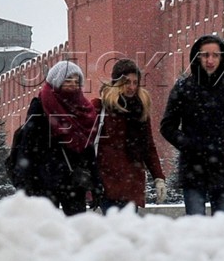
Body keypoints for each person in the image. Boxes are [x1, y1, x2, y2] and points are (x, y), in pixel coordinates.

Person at [160, 34, 224, 215]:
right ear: (197, 57)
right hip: (193, 169)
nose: (210, 60)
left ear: (222, 58)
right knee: (196, 225)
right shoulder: (184, 88)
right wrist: (188, 145)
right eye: (205, 55)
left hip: (223, 168)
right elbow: (167, 126)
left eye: (215, 55)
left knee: (222, 226)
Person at [16, 60, 99, 215]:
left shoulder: (83, 109)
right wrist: (25, 182)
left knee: (77, 226)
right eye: (68, 80)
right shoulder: (41, 105)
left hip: (74, 181)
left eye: (77, 81)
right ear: (57, 81)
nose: (73, 84)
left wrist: (96, 183)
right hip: (44, 181)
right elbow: (27, 145)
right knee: (48, 226)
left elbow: (88, 148)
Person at [94, 58, 164, 211]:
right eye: (127, 82)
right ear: (117, 82)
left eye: (135, 82)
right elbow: (88, 143)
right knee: (115, 224)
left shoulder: (140, 110)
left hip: (132, 183)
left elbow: (148, 146)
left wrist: (158, 177)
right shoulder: (101, 107)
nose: (132, 87)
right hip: (108, 183)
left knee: (128, 224)